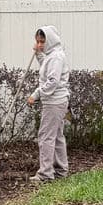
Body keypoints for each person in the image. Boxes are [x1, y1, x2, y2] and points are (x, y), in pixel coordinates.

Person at [26, 25, 70, 184]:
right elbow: (46, 66)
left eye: (42, 42)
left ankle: (45, 174)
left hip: (54, 102)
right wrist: (39, 54)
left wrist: (36, 95)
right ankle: (60, 170)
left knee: (45, 137)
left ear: (50, 40)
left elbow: (52, 82)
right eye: (37, 42)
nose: (39, 45)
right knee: (56, 136)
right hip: (56, 102)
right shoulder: (52, 55)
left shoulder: (56, 57)